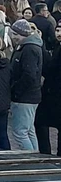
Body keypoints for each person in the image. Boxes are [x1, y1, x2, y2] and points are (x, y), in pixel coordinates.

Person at [9, 19, 43, 151]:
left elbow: (29, 74)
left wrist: (16, 91)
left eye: (15, 34)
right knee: (29, 130)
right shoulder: (31, 47)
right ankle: (35, 157)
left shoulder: (28, 49)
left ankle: (29, 158)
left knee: (20, 132)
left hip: (24, 97)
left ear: (22, 34)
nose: (13, 37)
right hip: (30, 95)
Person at [36, 23, 61, 155]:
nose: (58, 33)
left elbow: (51, 69)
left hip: (55, 92)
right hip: (52, 92)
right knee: (41, 122)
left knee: (41, 122)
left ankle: (48, 153)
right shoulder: (57, 46)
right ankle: (47, 152)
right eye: (57, 30)